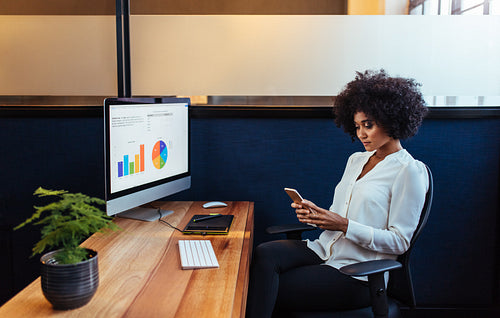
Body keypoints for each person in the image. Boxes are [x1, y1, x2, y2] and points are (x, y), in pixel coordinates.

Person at [246, 69, 429, 318]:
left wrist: (344, 225)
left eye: (368, 125)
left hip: (358, 273)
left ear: (392, 119)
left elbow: (399, 241)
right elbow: (341, 214)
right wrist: (318, 215)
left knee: (266, 288)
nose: (361, 134)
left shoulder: (409, 171)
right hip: (325, 250)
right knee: (264, 253)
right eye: (356, 126)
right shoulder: (356, 160)